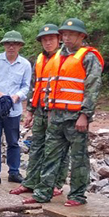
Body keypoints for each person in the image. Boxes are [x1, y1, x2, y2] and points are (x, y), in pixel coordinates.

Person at [25, 18, 104, 207]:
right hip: (56, 115)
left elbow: (92, 88)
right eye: (64, 34)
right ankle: (42, 192)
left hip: (76, 117)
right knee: (50, 154)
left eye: (70, 34)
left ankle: (77, 195)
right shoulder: (58, 56)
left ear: (81, 36)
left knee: (78, 158)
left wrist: (85, 114)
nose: (66, 38)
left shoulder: (88, 57)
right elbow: (51, 85)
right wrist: (48, 109)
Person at [10, 24, 67, 197]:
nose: (48, 42)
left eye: (51, 39)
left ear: (58, 39)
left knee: (57, 148)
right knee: (36, 146)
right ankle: (31, 181)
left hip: (58, 111)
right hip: (41, 109)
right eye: (44, 39)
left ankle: (56, 183)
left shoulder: (65, 58)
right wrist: (30, 111)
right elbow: (35, 87)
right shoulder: (40, 60)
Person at [0, 30, 32, 186]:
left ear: (20, 46)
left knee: (13, 142)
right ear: (4, 45)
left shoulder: (25, 65)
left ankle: (14, 172)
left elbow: (25, 86)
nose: (11, 47)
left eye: (15, 44)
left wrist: (16, 97)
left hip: (14, 110)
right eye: (8, 43)